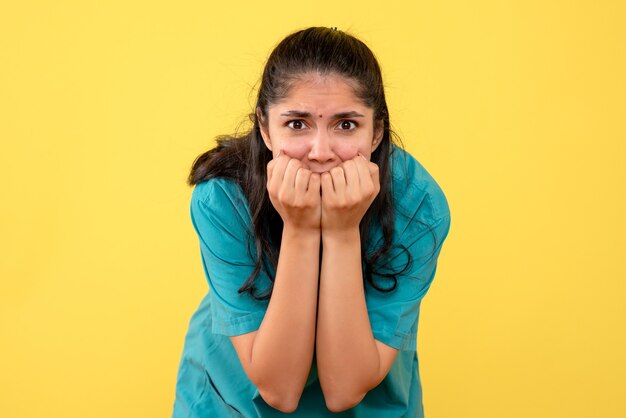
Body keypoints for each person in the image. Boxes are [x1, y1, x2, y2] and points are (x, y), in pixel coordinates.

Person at [171, 26, 452, 417]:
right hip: (234, 401)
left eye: (347, 124)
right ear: (266, 129)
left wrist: (340, 232)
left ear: (377, 133)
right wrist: (301, 230)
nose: (320, 152)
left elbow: (344, 390)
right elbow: (280, 390)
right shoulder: (222, 198)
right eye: (297, 124)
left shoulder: (416, 206)